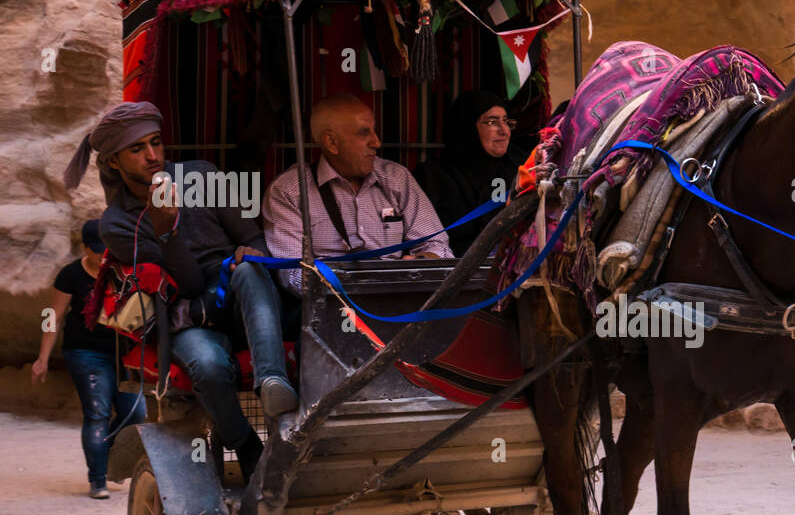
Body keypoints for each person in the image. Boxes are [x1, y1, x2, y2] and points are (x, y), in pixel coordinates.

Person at [63, 101, 296, 482]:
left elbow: (253, 236)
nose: (152, 156)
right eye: (137, 149)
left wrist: (251, 252)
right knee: (207, 366)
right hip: (188, 316)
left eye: (156, 142)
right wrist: (166, 230)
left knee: (252, 270)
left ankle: (272, 382)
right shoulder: (116, 224)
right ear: (114, 163)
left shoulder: (202, 176)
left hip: (243, 296)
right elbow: (185, 285)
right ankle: (247, 444)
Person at [262, 93, 452, 294]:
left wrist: (420, 263)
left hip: (395, 298)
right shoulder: (289, 191)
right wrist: (358, 280)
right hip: (329, 303)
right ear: (331, 142)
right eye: (363, 133)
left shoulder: (396, 179)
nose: (376, 142)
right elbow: (293, 275)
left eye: (374, 131)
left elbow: (438, 246)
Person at [31, 220, 148, 498]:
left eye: (107, 248)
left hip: (124, 353)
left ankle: (106, 458)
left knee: (136, 412)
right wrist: (42, 357)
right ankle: (97, 480)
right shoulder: (70, 275)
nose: (102, 254)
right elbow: (52, 316)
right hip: (85, 352)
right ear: (84, 248)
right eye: (96, 250)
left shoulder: (122, 271)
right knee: (97, 412)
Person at [414, 90, 525, 256]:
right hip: (453, 271)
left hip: (508, 271)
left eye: (506, 121)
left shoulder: (521, 168)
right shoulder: (432, 177)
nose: (504, 131)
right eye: (492, 122)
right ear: (467, 127)